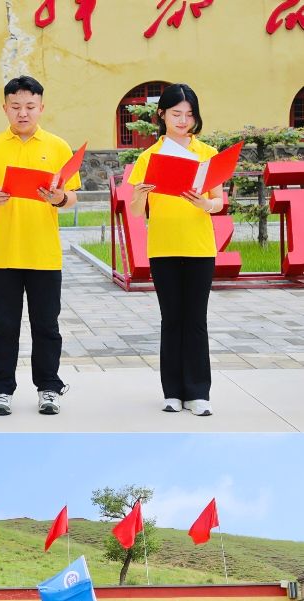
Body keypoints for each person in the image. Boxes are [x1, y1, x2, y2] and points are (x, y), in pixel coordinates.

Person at [0, 75, 79, 416]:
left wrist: (59, 198)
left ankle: (48, 388)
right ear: (5, 108)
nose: (23, 113)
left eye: (30, 106)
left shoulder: (58, 147)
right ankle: (1, 389)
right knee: (5, 327)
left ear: (42, 107)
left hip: (45, 255)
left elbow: (72, 196)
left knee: (47, 327)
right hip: (4, 255)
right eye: (15, 107)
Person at [127, 83, 222, 416]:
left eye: (189, 114)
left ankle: (198, 392)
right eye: (176, 114)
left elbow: (219, 202)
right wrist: (140, 194)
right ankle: (172, 392)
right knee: (171, 319)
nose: (183, 121)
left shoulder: (207, 153)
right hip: (163, 248)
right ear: (162, 115)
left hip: (199, 248)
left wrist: (204, 203)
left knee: (195, 319)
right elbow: (135, 211)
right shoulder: (148, 157)